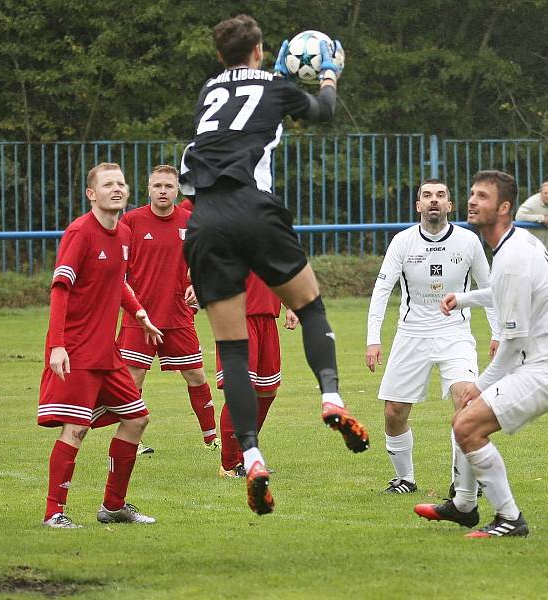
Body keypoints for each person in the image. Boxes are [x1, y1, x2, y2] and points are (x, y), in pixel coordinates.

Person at [179, 14, 368, 516]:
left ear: (221, 56)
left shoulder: (209, 90)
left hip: (204, 219)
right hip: (252, 207)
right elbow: (323, 111)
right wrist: (327, 73)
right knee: (309, 307)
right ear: (260, 49)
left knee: (232, 348)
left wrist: (277, 71)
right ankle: (330, 397)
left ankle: (252, 455)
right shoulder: (274, 85)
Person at [414, 170, 548, 538]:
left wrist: (479, 384)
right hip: (541, 361)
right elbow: (504, 291)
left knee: (467, 422)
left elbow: (512, 345)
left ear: (504, 208)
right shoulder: (514, 245)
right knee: (466, 416)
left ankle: (509, 519)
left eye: (483, 197)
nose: (473, 201)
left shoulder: (513, 257)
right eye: (472, 194)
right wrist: (465, 297)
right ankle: (463, 505)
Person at [38, 162, 163, 528]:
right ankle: (53, 513)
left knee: (137, 419)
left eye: (121, 183)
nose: (117, 188)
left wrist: (139, 313)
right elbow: (60, 289)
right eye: (108, 184)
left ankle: (113, 506)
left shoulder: (123, 233)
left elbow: (118, 282)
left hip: (106, 353)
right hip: (76, 351)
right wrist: (57, 346)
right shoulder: (80, 232)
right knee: (74, 430)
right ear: (92, 194)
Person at [365, 179, 498, 494]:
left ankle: (462, 482)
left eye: (440, 196)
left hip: (455, 333)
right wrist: (373, 337)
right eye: (427, 196)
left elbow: (489, 289)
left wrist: (499, 332)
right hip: (412, 333)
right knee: (394, 411)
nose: (433, 200)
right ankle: (405, 479)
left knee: (466, 401)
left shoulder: (468, 241)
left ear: (450, 205)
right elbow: (382, 288)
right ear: (418, 205)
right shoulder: (402, 242)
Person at [117, 165, 219, 454]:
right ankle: (132, 441)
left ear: (177, 190)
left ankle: (212, 439)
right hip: (140, 317)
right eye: (158, 185)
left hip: (178, 315)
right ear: (148, 189)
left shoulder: (191, 221)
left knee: (196, 376)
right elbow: (117, 269)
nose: (163, 191)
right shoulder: (131, 222)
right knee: (133, 378)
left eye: (169, 186)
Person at [216, 273, 298, 478]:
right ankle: (229, 465)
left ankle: (245, 455)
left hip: (267, 318)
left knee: (267, 391)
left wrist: (289, 305)